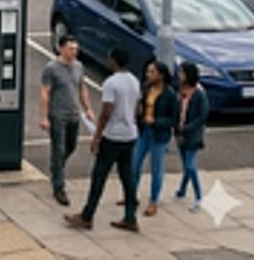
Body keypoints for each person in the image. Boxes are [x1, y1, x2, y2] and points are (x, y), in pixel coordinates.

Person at [65, 46, 141, 232]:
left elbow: (106, 111)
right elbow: (137, 108)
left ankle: (87, 215)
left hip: (112, 136)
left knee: (99, 176)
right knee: (127, 176)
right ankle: (130, 217)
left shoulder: (111, 83)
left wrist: (97, 136)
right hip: (130, 134)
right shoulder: (134, 81)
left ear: (114, 60)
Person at [40, 34, 95, 206]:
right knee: (58, 147)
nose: (74, 52)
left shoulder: (79, 67)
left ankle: (57, 168)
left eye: (76, 49)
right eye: (71, 49)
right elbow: (45, 93)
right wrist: (43, 117)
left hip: (73, 114)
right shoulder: (51, 69)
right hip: (57, 115)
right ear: (62, 48)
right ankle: (59, 186)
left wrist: (88, 108)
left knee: (71, 145)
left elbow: (82, 88)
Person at [129, 61, 178, 216]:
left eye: (152, 72)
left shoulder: (169, 94)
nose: (148, 75)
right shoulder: (146, 88)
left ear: (161, 75)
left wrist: (156, 121)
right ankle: (131, 195)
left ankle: (153, 201)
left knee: (156, 169)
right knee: (135, 164)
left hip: (159, 134)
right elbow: (141, 107)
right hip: (144, 131)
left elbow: (173, 119)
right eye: (148, 71)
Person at [174, 61, 209, 212]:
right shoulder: (181, 90)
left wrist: (187, 127)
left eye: (182, 72)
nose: (179, 75)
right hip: (181, 133)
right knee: (186, 165)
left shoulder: (199, 93)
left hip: (192, 134)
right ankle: (182, 190)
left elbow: (203, 115)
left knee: (190, 165)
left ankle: (198, 197)